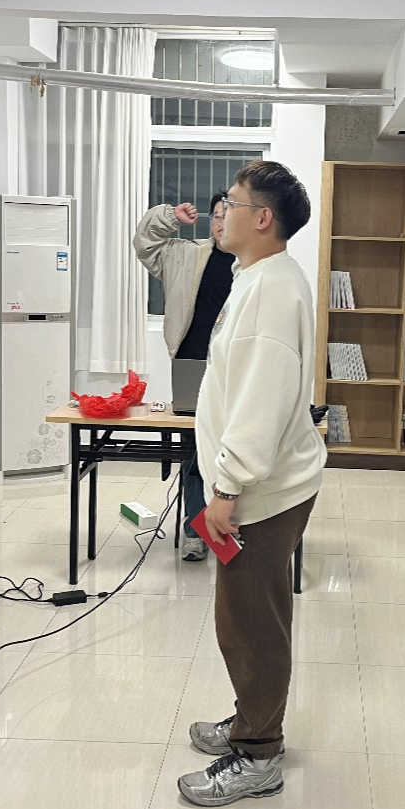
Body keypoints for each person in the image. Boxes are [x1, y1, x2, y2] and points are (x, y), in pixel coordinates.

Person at [177, 160, 326, 807]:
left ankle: (259, 752)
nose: (221, 213)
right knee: (248, 616)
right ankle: (250, 720)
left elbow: (260, 402)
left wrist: (227, 487)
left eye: (232, 204)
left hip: (260, 491)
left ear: (262, 218)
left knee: (252, 623)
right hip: (262, 483)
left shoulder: (270, 290)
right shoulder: (260, 277)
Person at [133, 191, 236, 561]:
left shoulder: (254, 266)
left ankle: (236, 532)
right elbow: (145, 245)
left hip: (238, 371)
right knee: (193, 454)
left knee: (236, 456)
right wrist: (170, 217)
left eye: (230, 215)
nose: (223, 222)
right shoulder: (186, 255)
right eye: (217, 215)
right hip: (192, 365)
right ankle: (196, 532)